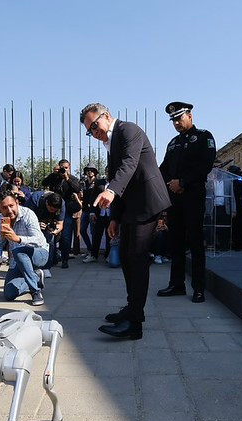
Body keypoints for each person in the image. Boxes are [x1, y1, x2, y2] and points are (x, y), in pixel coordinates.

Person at [81, 103, 171, 340]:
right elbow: (115, 176)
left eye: (94, 125)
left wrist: (111, 192)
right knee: (126, 257)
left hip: (147, 202)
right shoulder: (112, 142)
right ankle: (131, 308)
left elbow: (129, 165)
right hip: (131, 207)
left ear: (106, 116)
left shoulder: (129, 130)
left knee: (137, 258)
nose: (93, 132)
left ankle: (135, 323)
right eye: (89, 131)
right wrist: (114, 218)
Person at [157, 101, 216, 302]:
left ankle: (199, 288)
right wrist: (169, 184)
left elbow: (206, 164)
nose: (176, 123)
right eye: (173, 120)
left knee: (195, 242)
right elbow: (164, 168)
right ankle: (176, 284)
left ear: (189, 116)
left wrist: (183, 182)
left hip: (193, 195)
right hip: (175, 198)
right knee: (176, 242)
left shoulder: (203, 137)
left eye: (179, 118)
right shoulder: (173, 143)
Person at [0, 189, 49, 305]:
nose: (9, 210)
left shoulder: (28, 214)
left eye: (11, 206)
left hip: (39, 253)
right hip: (17, 260)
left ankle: (35, 291)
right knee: (9, 294)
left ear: (17, 203)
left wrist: (18, 239)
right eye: (4, 208)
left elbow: (38, 240)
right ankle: (36, 278)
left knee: (19, 251)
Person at [41, 160, 81, 268]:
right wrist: (53, 174)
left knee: (66, 235)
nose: (64, 170)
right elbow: (44, 183)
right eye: (62, 168)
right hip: (52, 209)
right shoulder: (55, 177)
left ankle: (65, 259)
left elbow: (77, 189)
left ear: (69, 168)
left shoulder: (72, 179)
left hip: (66, 210)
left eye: (66, 168)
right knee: (51, 233)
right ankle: (52, 257)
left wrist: (67, 179)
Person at [80, 163, 101, 263]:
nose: (89, 172)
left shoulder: (98, 183)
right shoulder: (83, 183)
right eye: (88, 170)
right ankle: (90, 249)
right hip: (85, 210)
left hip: (94, 211)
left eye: (92, 170)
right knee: (82, 230)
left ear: (95, 172)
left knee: (94, 232)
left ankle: (93, 253)